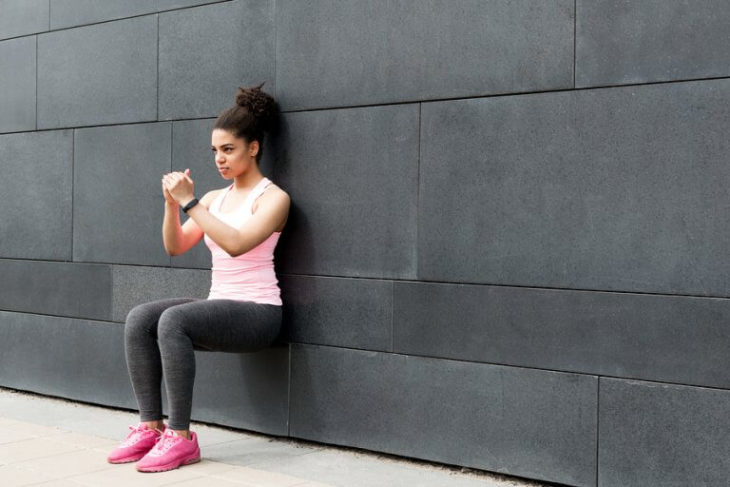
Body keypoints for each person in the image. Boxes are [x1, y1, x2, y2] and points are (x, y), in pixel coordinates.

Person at [107, 84, 289, 473]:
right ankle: (150, 425)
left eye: (228, 150)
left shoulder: (273, 198)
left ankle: (182, 437)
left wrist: (190, 201)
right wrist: (172, 206)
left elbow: (237, 243)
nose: (219, 159)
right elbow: (175, 246)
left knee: (174, 320)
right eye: (214, 151)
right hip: (219, 304)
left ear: (253, 148)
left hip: (259, 313)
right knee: (141, 318)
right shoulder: (212, 198)